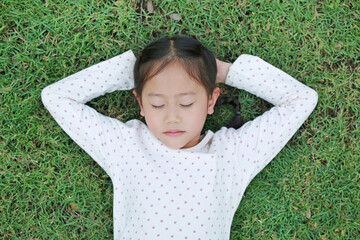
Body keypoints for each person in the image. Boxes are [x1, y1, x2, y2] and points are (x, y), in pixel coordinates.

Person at [41, 36, 318, 239]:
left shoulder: (233, 154)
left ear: (211, 101)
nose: (171, 117)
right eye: (157, 104)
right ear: (140, 102)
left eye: (186, 103)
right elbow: (56, 97)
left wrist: (221, 72)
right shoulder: (125, 145)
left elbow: (301, 99)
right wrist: (138, 71)